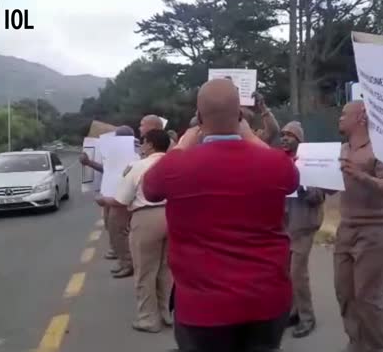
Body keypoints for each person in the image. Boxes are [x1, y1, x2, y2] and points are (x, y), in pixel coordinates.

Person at [143, 79, 298, 352]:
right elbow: (292, 179)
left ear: (199, 118)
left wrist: (182, 145)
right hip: (266, 301)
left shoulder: (175, 166)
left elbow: (150, 189)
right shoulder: (275, 163)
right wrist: (250, 137)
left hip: (202, 309)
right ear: (240, 116)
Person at [334, 101, 383, 352]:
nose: (339, 118)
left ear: (361, 117)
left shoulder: (381, 148)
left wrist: (360, 175)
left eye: (343, 113)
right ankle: (355, 343)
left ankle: (374, 347)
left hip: (376, 232)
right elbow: (333, 185)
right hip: (346, 230)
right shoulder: (340, 149)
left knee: (368, 299)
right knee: (345, 294)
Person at [98, 129, 173, 333]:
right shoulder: (175, 163)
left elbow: (121, 200)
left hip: (146, 216)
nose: (141, 145)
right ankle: (165, 312)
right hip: (174, 216)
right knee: (166, 270)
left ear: (149, 144)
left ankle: (148, 318)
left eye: (143, 142)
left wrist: (103, 200)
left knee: (144, 270)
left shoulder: (138, 166)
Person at [280, 121, 325, 339]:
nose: (285, 138)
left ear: (300, 140)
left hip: (304, 225)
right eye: (284, 134)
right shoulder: (283, 160)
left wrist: (303, 185)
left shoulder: (311, 163)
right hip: (286, 226)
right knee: (287, 273)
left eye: (290, 135)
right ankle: (293, 312)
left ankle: (308, 318)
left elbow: (319, 196)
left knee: (298, 273)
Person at [80, 125, 137, 277]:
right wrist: (88, 163)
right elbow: (107, 170)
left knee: (119, 230)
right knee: (111, 227)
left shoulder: (134, 153)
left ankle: (128, 263)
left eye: (118, 137)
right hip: (110, 196)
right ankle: (122, 259)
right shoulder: (116, 154)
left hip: (120, 198)